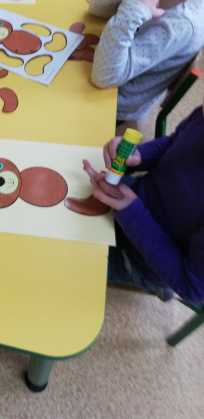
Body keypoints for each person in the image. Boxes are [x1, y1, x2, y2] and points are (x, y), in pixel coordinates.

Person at [82, 100, 204, 303]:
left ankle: (154, 283)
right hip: (139, 198)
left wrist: (131, 211)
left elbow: (192, 287)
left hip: (140, 260)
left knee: (61, 263)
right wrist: (138, 155)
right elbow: (173, 142)